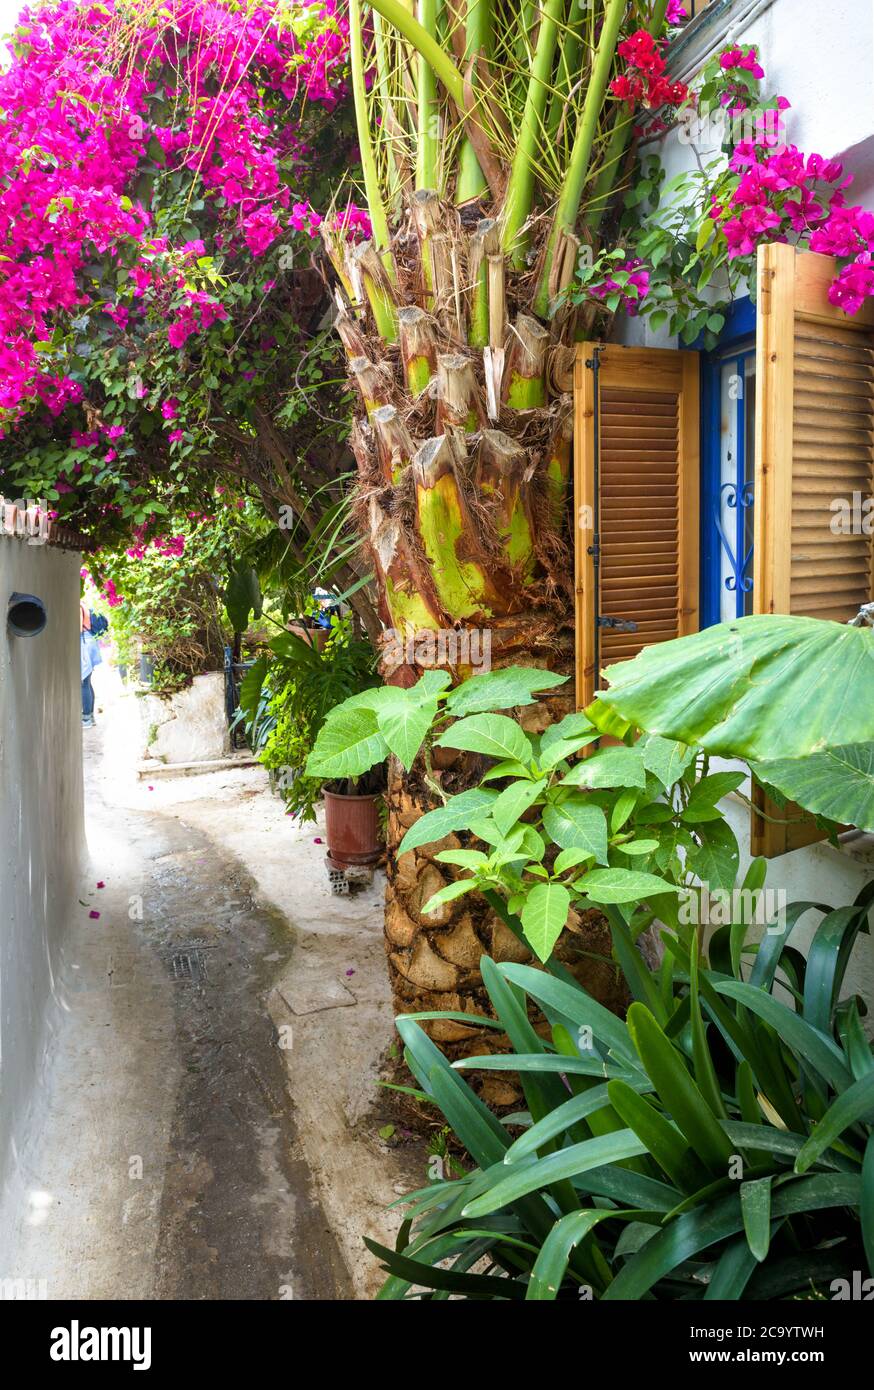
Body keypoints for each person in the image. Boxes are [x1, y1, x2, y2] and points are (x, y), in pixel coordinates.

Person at [80, 600, 102, 729]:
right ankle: (91, 717)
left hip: (84, 644)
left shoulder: (78, 606)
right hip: (89, 642)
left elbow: (78, 629)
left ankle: (86, 718)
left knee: (83, 683)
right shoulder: (84, 604)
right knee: (87, 682)